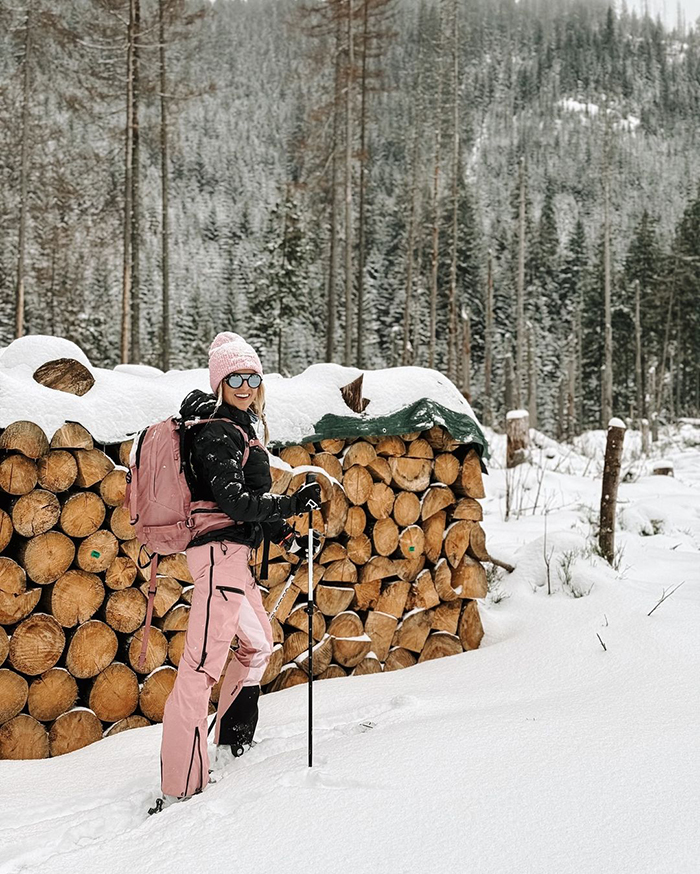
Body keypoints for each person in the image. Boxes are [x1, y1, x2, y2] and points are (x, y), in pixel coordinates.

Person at [150, 332, 321, 813]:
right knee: (202, 664)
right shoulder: (216, 431)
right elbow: (232, 502)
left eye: (252, 377)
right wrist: (290, 501)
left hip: (234, 557)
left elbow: (248, 510)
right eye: (235, 378)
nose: (245, 385)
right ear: (220, 382)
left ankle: (229, 738)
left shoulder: (241, 428)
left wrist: (286, 534)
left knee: (258, 644)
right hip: (216, 557)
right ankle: (182, 781)